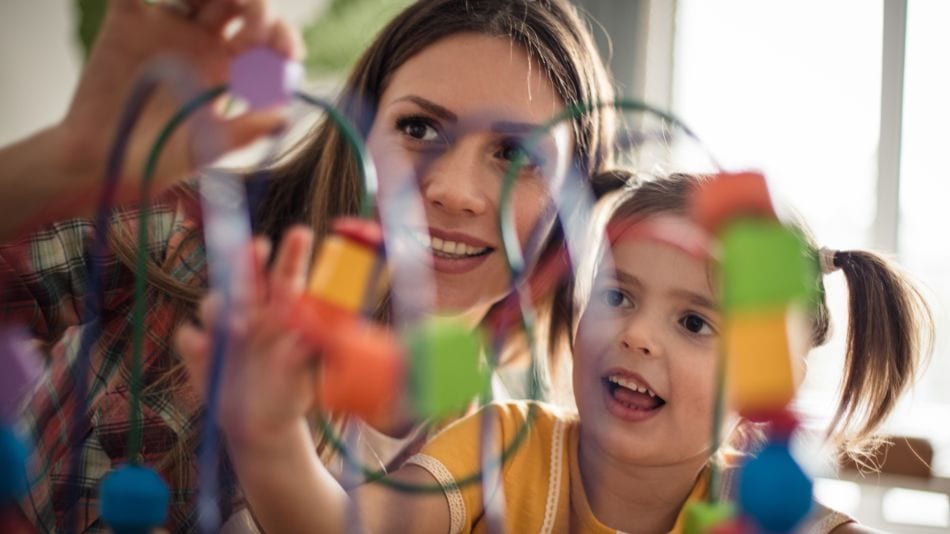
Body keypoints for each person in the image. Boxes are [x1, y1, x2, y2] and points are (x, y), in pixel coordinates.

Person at [0, 0, 616, 530]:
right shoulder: (188, 240)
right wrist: (69, 158)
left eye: (515, 153)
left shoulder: (512, 455)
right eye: (420, 127)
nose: (455, 190)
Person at [178, 173, 933, 532]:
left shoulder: (769, 514)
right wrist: (270, 438)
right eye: (618, 295)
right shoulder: (502, 445)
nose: (636, 334)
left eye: (695, 324)